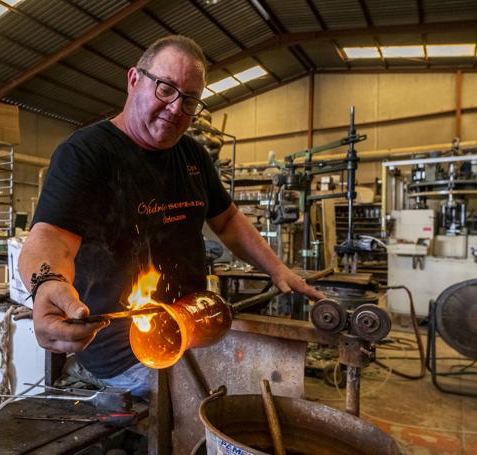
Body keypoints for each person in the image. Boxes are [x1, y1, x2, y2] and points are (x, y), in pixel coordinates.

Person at [20, 35, 324, 399]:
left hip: (192, 328)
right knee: (215, 408)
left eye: (190, 100)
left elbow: (227, 220)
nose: (176, 108)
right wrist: (46, 284)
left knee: (272, 387)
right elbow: (51, 238)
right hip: (123, 349)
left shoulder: (193, 156)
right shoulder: (85, 154)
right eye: (165, 89)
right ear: (134, 80)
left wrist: (278, 270)